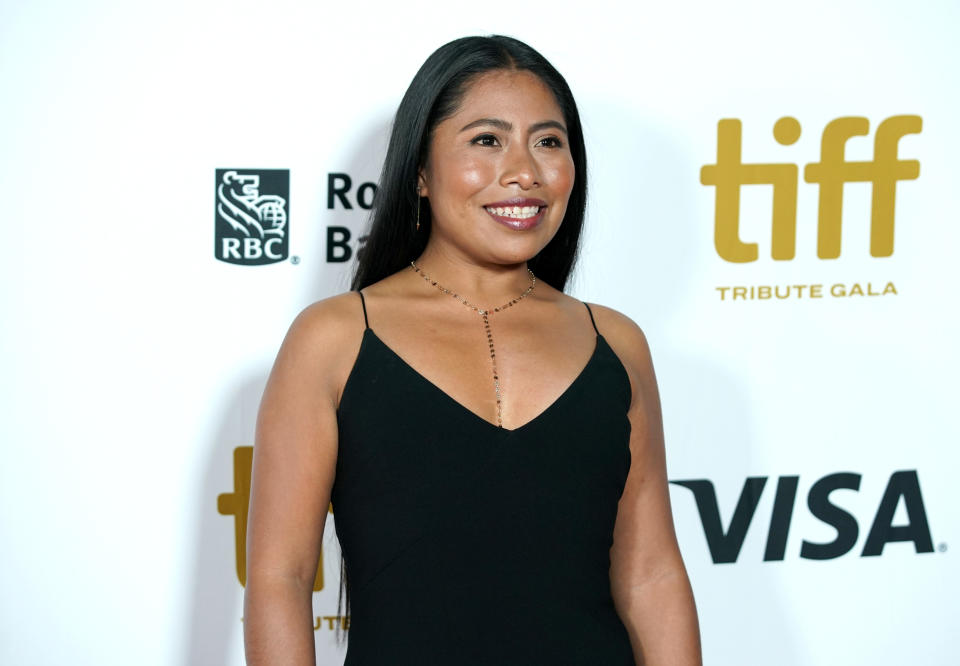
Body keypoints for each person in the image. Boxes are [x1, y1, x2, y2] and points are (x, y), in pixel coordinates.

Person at [243, 34, 702, 665]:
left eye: (548, 141)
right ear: (422, 172)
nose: (524, 171)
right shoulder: (335, 339)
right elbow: (280, 579)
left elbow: (651, 576)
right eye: (487, 140)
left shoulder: (617, 344)